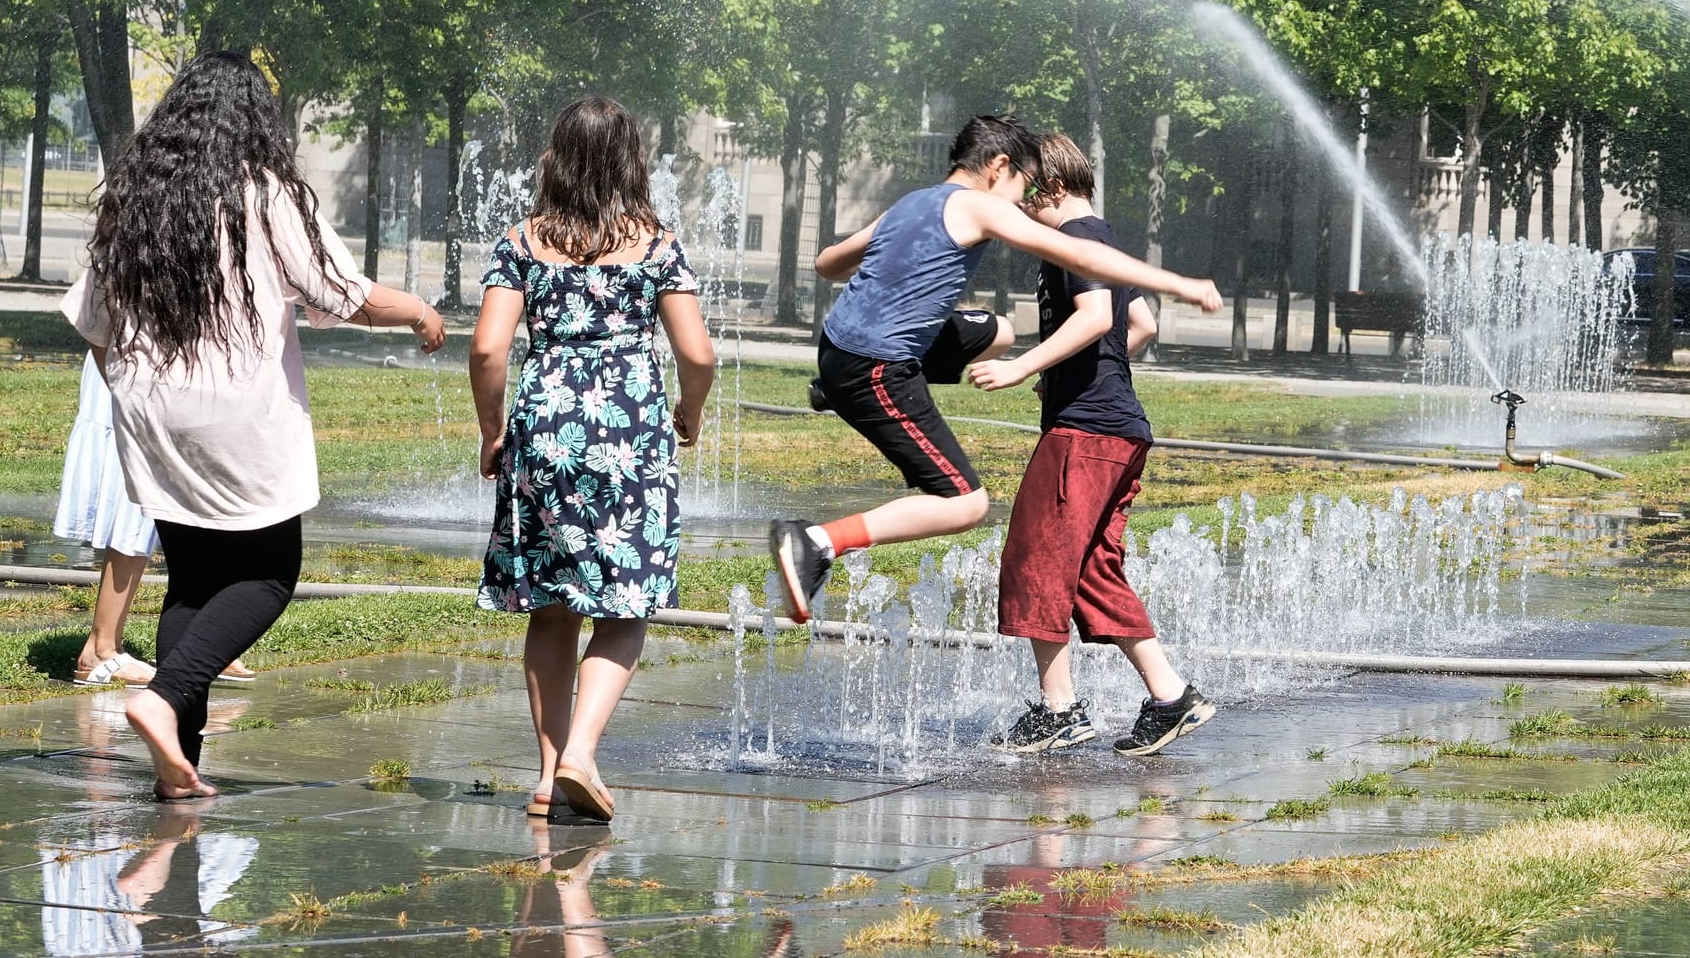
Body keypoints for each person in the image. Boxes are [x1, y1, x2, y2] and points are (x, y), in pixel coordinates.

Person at [63, 51, 447, 801]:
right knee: (270, 574)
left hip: (151, 412)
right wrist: (423, 312)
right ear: (253, 120)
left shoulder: (136, 197)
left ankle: (181, 764)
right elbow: (344, 294)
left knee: (195, 583)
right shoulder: (267, 194)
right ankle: (164, 700)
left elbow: (95, 322)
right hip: (235, 412)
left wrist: (131, 392)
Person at [767, 115, 1222, 622]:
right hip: (874, 366)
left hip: (836, 350)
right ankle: (817, 542)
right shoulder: (982, 206)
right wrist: (1177, 283)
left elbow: (828, 263)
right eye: (1022, 185)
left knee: (1000, 331)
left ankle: (839, 391)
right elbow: (1080, 255)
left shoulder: (912, 202)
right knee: (965, 504)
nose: (1021, 200)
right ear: (999, 166)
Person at [470, 97, 714, 825]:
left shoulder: (521, 241)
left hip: (544, 426)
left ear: (556, 158)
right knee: (624, 601)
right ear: (632, 161)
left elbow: (487, 348)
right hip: (630, 431)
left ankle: (549, 776)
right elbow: (696, 352)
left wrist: (493, 429)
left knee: (550, 604)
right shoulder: (656, 246)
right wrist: (689, 411)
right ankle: (582, 751)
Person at [971, 133, 1214, 756]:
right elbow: (1142, 325)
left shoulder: (1074, 240)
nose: (1014, 206)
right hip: (1117, 427)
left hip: (1087, 431)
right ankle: (1171, 698)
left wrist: (1027, 367)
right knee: (1089, 571)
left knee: (1037, 559)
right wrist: (1073, 371)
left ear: (1048, 189)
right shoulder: (1102, 239)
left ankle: (1060, 711)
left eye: (1021, 192)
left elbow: (1098, 318)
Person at [55, 359, 255, 688]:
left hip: (176, 359)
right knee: (136, 503)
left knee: (196, 493)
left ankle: (197, 638)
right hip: (142, 361)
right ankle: (101, 649)